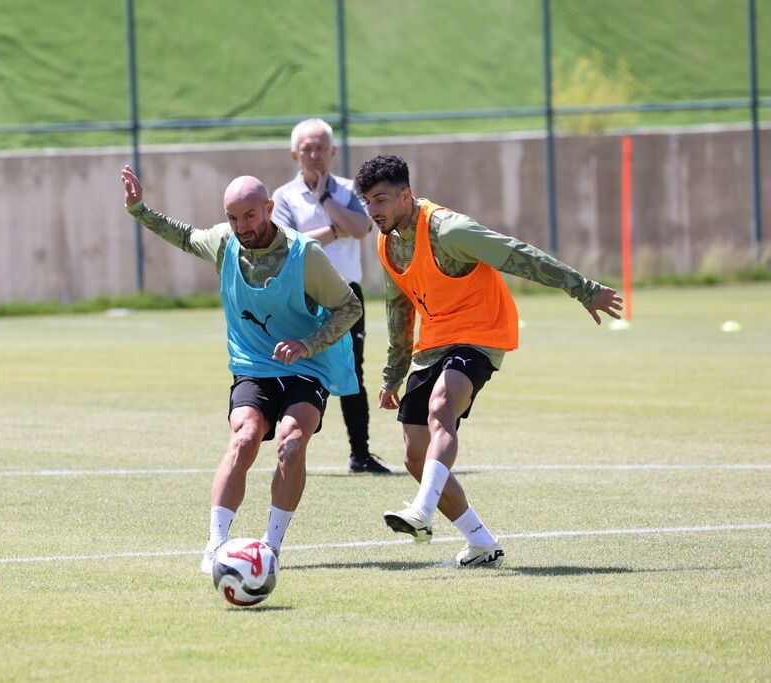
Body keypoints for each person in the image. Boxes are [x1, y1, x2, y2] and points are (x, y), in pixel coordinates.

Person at [353, 154, 623, 568]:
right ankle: (481, 543)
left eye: (382, 200)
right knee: (413, 454)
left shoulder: (449, 229)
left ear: (406, 195)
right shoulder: (386, 241)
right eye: (368, 202)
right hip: (434, 343)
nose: (373, 211)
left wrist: (583, 288)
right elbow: (399, 309)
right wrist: (393, 373)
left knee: (442, 407)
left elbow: (518, 254)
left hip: (481, 333)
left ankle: (421, 513)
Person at [119, 165, 362, 573]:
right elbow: (183, 235)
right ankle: (215, 546)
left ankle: (271, 546)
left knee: (291, 440)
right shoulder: (224, 242)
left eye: (249, 215)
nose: (241, 225)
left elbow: (350, 307)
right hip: (253, 365)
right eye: (232, 217)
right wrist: (139, 209)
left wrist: (307, 344)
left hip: (308, 365)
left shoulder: (306, 255)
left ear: (268, 208)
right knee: (245, 437)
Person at [271, 118, 388, 475]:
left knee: (352, 370)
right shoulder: (283, 197)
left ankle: (360, 454)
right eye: (307, 148)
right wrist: (336, 230)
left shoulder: (350, 189)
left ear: (333, 151)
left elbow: (363, 227)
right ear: (294, 154)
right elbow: (288, 245)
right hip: (302, 296)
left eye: (321, 147)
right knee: (296, 368)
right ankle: (289, 448)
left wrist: (325, 199)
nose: (315, 154)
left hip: (346, 295)